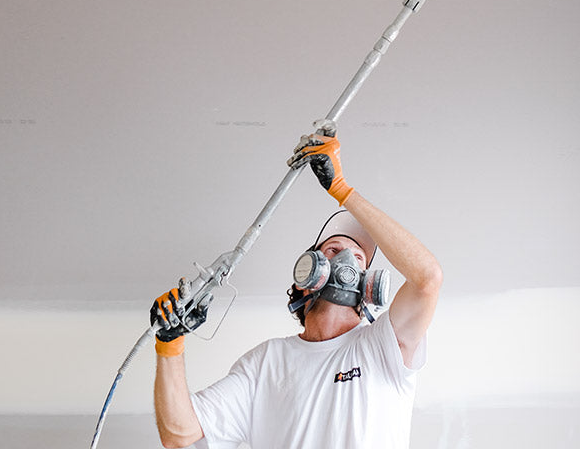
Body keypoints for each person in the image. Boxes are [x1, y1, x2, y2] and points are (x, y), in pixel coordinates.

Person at [151, 126, 442, 449]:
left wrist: (342, 190)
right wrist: (169, 344)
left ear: (368, 287)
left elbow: (427, 279)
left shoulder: (383, 347)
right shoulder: (266, 364)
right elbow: (179, 432)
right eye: (333, 251)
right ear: (307, 275)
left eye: (358, 259)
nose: (346, 261)